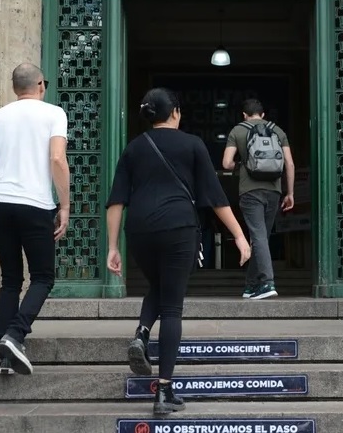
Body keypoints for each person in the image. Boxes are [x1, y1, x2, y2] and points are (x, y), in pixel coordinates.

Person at [105, 87, 252, 415]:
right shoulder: (193, 145)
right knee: (172, 306)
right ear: (174, 113)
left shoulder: (133, 148)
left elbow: (115, 201)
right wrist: (240, 236)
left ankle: (142, 334)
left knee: (158, 287)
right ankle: (164, 392)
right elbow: (215, 197)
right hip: (178, 228)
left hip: (139, 230)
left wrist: (113, 246)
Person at [0, 63, 71, 374]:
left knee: (11, 279)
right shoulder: (54, 114)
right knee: (43, 277)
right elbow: (57, 158)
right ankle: (16, 334)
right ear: (41, 84)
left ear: (15, 88)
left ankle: (5, 356)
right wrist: (64, 205)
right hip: (34, 203)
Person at [222, 98, 295, 300]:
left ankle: (267, 283)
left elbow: (226, 163)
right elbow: (289, 164)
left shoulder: (238, 130)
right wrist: (290, 193)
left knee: (257, 236)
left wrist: (242, 165)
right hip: (274, 190)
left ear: (244, 115)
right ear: (263, 115)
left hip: (250, 191)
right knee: (261, 236)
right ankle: (251, 286)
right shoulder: (277, 131)